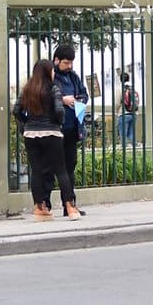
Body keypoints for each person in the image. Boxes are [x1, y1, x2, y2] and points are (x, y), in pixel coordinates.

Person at [13, 59, 79, 220]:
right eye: (52, 70)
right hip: (51, 132)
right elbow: (59, 111)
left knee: (36, 171)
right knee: (61, 170)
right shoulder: (53, 89)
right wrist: (58, 123)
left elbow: (16, 110)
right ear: (47, 72)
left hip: (31, 135)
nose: (54, 72)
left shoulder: (27, 89)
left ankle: (39, 208)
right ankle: (70, 207)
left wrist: (26, 124)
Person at [52, 44, 90, 212]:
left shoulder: (73, 77)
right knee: (54, 167)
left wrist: (76, 99)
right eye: (66, 63)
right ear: (56, 60)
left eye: (71, 63)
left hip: (73, 127)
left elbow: (84, 94)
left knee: (70, 166)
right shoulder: (51, 77)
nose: (69, 66)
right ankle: (45, 203)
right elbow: (46, 96)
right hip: (56, 128)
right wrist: (63, 100)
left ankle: (70, 204)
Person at [117, 71, 138, 145]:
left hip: (123, 114)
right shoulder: (133, 88)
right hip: (134, 114)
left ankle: (123, 152)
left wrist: (117, 112)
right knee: (131, 134)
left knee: (123, 135)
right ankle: (134, 150)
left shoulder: (120, 89)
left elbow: (117, 103)